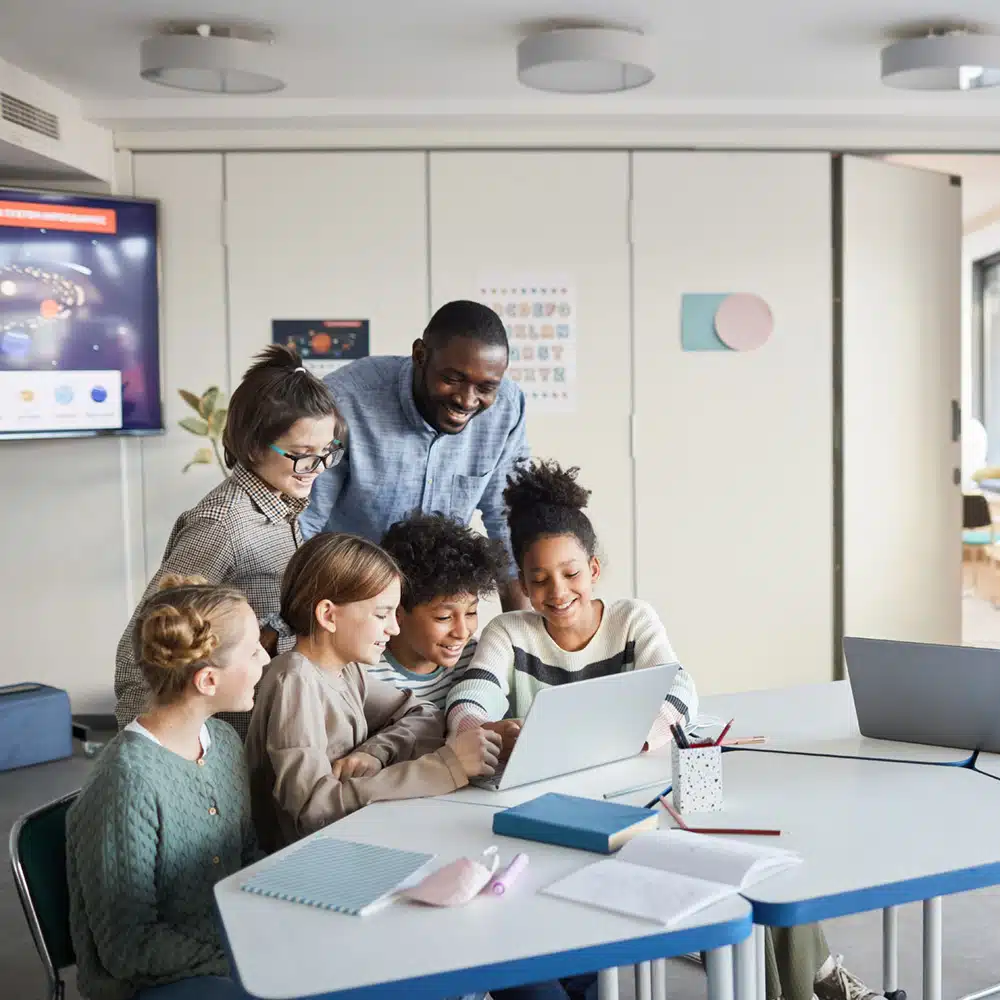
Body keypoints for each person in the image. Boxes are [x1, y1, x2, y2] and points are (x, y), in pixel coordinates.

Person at [447, 459, 878, 1000]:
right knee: (735, 871)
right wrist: (476, 730)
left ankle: (813, 980)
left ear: (595, 568)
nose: (557, 591)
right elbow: (472, 695)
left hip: (650, 800)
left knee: (755, 863)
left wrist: (638, 730)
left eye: (571, 573)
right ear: (525, 588)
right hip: (571, 815)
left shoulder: (632, 619)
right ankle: (813, 984)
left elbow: (679, 690)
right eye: (539, 580)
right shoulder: (509, 633)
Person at [114, 344, 345, 738]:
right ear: (253, 445)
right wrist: (152, 747)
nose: (316, 469)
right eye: (302, 455)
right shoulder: (222, 524)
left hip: (261, 724)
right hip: (219, 737)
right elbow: (143, 644)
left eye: (326, 453)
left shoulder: (283, 506)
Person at [67, 576, 268, 1000]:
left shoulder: (224, 743)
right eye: (253, 651)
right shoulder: (127, 784)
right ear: (208, 681)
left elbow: (245, 856)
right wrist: (234, 956)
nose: (266, 658)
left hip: (231, 946)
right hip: (158, 979)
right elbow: (127, 947)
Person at [244, 532, 502, 852]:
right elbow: (312, 807)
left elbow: (424, 714)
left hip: (347, 844)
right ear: (328, 615)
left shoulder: (347, 670)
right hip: (303, 862)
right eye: (382, 615)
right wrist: (446, 766)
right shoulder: (294, 680)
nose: (393, 628)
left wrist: (375, 751)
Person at [299, 300, 530, 611]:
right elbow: (304, 523)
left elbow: (506, 523)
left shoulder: (508, 408)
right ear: (420, 355)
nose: (466, 400)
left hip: (437, 613)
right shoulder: (346, 401)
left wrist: (525, 642)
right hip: (351, 601)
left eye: (485, 388)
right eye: (452, 379)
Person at [369, 511, 509, 710]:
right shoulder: (366, 673)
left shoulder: (476, 660)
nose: (462, 632)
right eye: (444, 617)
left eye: (471, 612)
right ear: (397, 613)